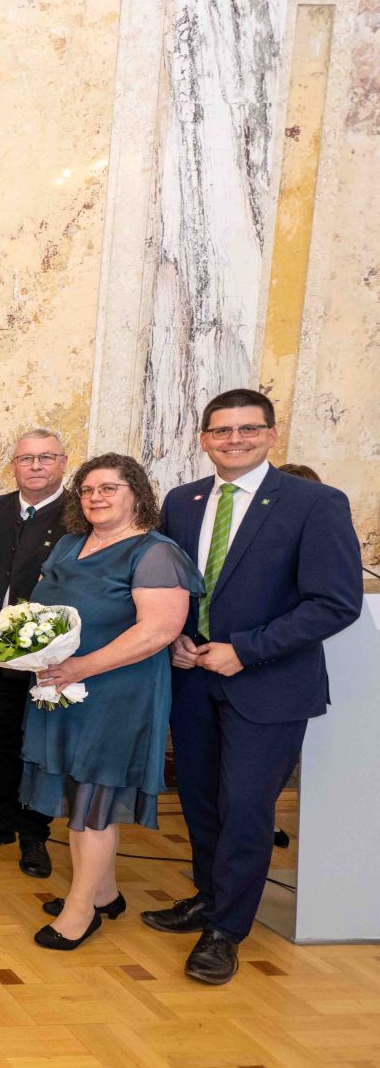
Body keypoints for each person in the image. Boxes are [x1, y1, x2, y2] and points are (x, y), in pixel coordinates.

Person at [146, 389, 362, 984]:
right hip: (192, 680)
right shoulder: (183, 502)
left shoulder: (314, 503)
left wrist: (246, 650)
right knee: (199, 800)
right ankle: (210, 898)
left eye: (247, 429)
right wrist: (176, 637)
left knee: (246, 807)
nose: (234, 439)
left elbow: (335, 603)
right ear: (204, 439)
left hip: (268, 684)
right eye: (221, 431)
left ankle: (227, 931)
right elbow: (173, 586)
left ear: (271, 433)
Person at [19, 454, 198, 950]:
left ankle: (80, 913)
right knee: (79, 790)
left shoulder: (155, 552)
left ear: (136, 492)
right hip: (63, 687)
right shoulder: (73, 543)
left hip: (119, 692)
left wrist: (80, 666)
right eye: (87, 489)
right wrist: (27, 652)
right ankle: (104, 893)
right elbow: (40, 608)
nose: (96, 497)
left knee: (95, 796)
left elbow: (160, 630)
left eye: (109, 488)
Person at [0, 428, 70, 878]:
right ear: (14, 465)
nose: (36, 466)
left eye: (47, 457)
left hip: (51, 656)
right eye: (27, 458)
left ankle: (34, 834)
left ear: (63, 463)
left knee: (40, 744)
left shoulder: (80, 514)